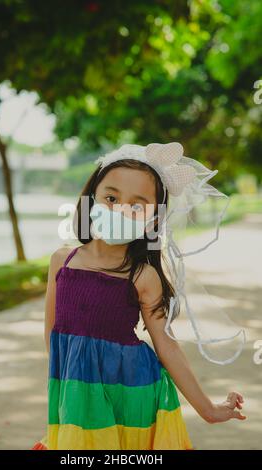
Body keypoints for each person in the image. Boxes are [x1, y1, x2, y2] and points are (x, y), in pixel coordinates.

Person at [31, 142, 246, 450]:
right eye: (111, 197)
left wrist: (208, 410)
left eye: (136, 205)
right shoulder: (62, 261)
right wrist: (69, 391)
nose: (120, 209)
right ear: (92, 197)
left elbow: (166, 346)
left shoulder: (143, 276)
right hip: (78, 397)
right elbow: (53, 337)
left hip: (134, 394)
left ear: (154, 219)